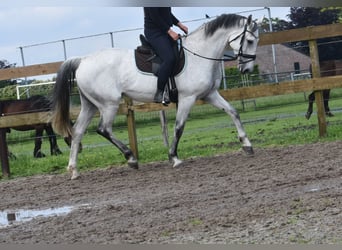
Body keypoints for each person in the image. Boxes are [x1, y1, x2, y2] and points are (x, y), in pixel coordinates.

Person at [143, 7, 188, 104]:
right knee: (169, 59)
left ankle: (174, 89)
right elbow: (155, 17)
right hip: (154, 33)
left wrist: (180, 25)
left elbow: (166, 13)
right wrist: (170, 31)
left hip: (164, 31)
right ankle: (160, 93)